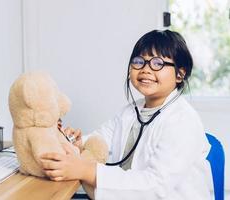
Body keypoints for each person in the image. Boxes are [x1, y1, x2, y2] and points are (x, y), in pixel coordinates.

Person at [40, 30, 212, 200]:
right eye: (139, 62)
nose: (145, 69)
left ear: (180, 74)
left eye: (157, 63)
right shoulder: (130, 112)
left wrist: (86, 170)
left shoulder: (183, 121)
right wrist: (78, 142)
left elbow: (155, 187)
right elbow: (100, 139)